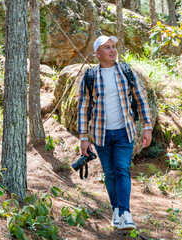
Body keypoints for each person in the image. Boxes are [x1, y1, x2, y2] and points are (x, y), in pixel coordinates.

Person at [77, 35, 153, 230]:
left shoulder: (126, 72)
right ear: (97, 53)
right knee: (110, 174)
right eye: (107, 47)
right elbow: (83, 109)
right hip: (101, 134)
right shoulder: (90, 76)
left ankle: (125, 213)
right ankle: (116, 212)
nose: (112, 50)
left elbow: (141, 99)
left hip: (124, 131)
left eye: (113, 47)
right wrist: (84, 138)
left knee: (122, 170)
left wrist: (147, 126)